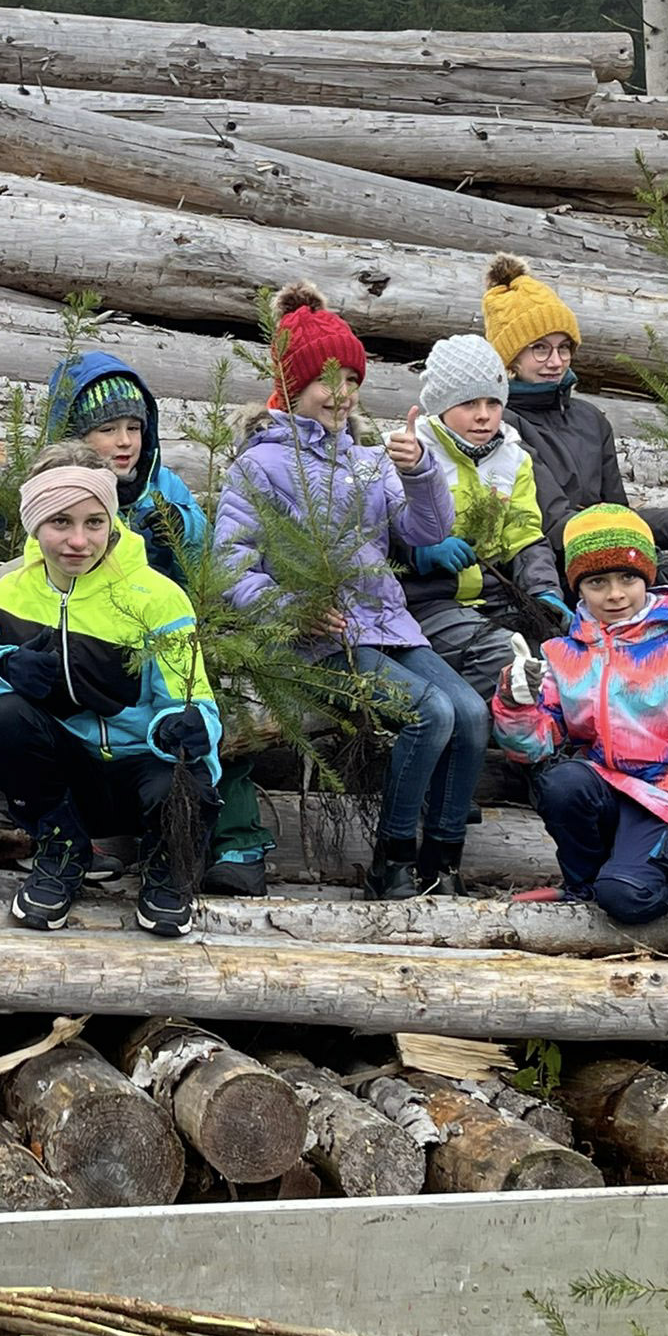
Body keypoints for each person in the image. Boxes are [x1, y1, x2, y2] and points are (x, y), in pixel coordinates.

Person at [213, 294, 486, 900]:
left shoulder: (368, 461)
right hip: (319, 637)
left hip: (385, 624)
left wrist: (419, 473)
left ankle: (444, 860)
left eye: (352, 380)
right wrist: (293, 611)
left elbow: (426, 532)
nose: (340, 394)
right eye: (324, 381)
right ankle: (392, 861)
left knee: (471, 713)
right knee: (429, 712)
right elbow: (231, 565)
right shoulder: (257, 467)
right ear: (291, 387)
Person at [0, 442, 221, 937]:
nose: (79, 540)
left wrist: (187, 727)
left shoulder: (158, 597)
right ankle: (62, 851)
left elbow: (196, 701)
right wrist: (0, 674)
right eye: (61, 522)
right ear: (35, 524)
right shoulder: (5, 596)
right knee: (7, 715)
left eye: (95, 522)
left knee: (186, 768)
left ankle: (169, 866)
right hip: (66, 783)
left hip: (142, 772)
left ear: (112, 521)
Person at [493, 505, 668, 925]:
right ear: (579, 588)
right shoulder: (561, 656)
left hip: (666, 801)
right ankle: (586, 884)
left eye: (627, 578)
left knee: (627, 899)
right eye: (598, 582)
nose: (615, 594)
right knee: (562, 781)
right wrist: (516, 702)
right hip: (606, 790)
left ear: (646, 579)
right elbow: (534, 746)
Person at [484, 254, 668, 647]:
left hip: (611, 555)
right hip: (552, 571)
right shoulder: (504, 424)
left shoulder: (590, 419)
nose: (556, 361)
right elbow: (554, 525)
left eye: (564, 347)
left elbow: (617, 512)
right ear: (510, 359)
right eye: (540, 349)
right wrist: (641, 556)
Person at [401, 333, 573, 699]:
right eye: (468, 403)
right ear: (440, 406)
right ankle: (471, 722)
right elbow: (379, 527)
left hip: (495, 598)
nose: (483, 416)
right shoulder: (411, 454)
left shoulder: (513, 458)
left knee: (563, 653)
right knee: (508, 657)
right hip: (428, 601)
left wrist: (545, 592)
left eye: (493, 403)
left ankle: (535, 742)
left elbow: (525, 535)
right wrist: (419, 552)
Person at [45, 353, 206, 586]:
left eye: (133, 428)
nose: (125, 441)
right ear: (75, 437)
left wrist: (186, 527)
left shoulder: (165, 485)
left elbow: (209, 568)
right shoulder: (54, 491)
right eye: (108, 429)